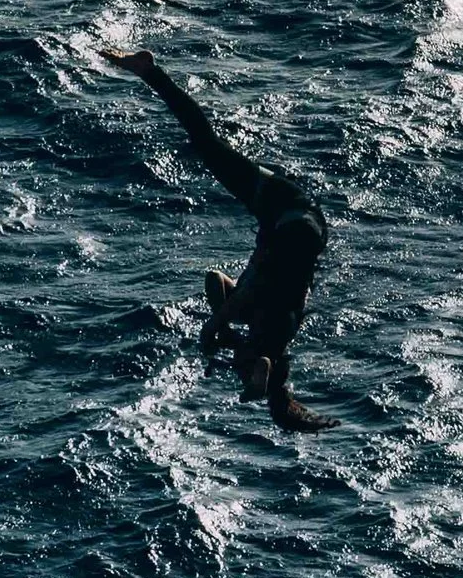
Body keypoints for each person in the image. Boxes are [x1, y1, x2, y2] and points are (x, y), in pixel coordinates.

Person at [106, 46, 330, 431]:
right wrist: (214, 328)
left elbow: (216, 279)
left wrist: (225, 328)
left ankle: (149, 72)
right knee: (206, 142)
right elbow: (245, 295)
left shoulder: (279, 328)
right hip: (285, 215)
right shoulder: (260, 319)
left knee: (207, 144)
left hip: (303, 225)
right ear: (261, 361)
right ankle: (148, 71)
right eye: (244, 367)